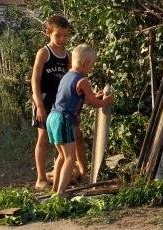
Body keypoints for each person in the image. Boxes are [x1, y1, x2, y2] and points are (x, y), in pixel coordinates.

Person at [46, 44, 114, 195]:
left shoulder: (67, 76)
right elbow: (95, 103)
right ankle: (61, 194)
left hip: (53, 117)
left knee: (62, 157)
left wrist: (96, 96)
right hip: (64, 119)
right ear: (86, 63)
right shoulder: (83, 81)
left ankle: (55, 189)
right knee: (70, 158)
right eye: (92, 65)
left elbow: (85, 99)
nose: (92, 68)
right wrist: (106, 101)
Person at [31, 15, 77, 190]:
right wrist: (39, 106)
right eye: (58, 35)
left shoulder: (68, 56)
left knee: (63, 139)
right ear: (48, 33)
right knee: (42, 138)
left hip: (60, 105)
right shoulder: (44, 53)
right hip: (43, 100)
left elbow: (72, 79)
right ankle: (41, 178)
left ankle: (59, 173)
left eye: (65, 36)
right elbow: (35, 80)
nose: (62, 39)